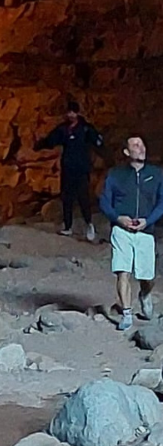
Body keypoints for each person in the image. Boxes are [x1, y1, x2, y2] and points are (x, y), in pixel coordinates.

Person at [100, 136, 163, 331]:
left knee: (147, 276)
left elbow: (162, 202)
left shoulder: (156, 174)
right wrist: (117, 218)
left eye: (142, 144)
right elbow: (104, 200)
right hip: (121, 231)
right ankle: (126, 313)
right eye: (136, 145)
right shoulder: (115, 175)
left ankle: (144, 295)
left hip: (146, 231)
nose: (141, 148)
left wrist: (148, 221)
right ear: (127, 152)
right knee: (123, 271)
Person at [34, 100, 104, 240]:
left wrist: (99, 143)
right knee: (67, 198)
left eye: (73, 112)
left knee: (83, 197)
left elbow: (98, 140)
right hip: (68, 168)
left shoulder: (85, 128)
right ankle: (68, 226)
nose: (70, 115)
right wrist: (39, 145)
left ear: (77, 113)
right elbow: (51, 140)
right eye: (68, 112)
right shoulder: (63, 129)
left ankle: (89, 225)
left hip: (82, 168)